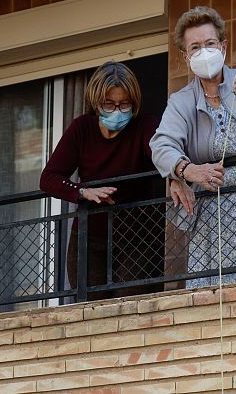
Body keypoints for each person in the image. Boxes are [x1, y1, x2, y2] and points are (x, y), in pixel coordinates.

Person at [150, 6, 236, 288]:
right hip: (211, 216)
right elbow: (161, 144)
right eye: (195, 47)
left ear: (223, 46)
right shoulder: (181, 101)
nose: (203, 52)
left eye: (210, 44)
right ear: (185, 56)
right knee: (212, 300)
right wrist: (185, 172)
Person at [40, 61, 162, 299]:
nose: (117, 110)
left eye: (124, 103)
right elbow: (49, 178)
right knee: (91, 310)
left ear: (134, 103)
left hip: (139, 238)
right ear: (97, 103)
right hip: (88, 238)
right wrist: (83, 192)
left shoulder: (145, 126)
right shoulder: (81, 129)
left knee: (131, 306)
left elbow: (162, 154)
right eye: (109, 104)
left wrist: (178, 173)